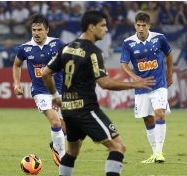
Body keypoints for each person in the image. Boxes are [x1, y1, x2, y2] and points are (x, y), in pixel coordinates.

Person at [42, 10, 155, 176]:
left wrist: (55, 97)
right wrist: (134, 84)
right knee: (118, 147)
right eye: (103, 25)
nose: (106, 29)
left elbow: (45, 73)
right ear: (91, 27)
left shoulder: (67, 48)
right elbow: (105, 83)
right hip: (86, 110)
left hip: (68, 110)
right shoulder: (93, 52)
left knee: (72, 151)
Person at [12, 14, 66, 166]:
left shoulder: (58, 44)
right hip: (40, 92)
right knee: (55, 123)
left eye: (39, 30)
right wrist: (16, 83)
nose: (36, 33)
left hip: (60, 91)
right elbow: (16, 64)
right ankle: (62, 158)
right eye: (34, 30)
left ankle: (55, 144)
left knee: (67, 128)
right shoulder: (25, 48)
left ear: (47, 30)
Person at [120, 11, 173, 163]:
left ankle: (159, 153)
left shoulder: (159, 38)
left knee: (160, 114)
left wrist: (169, 75)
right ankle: (154, 153)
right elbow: (123, 63)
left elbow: (169, 55)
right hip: (142, 87)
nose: (141, 28)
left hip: (159, 84)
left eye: (144, 25)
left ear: (149, 26)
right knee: (148, 119)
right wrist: (134, 77)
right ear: (135, 25)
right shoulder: (128, 43)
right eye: (139, 25)